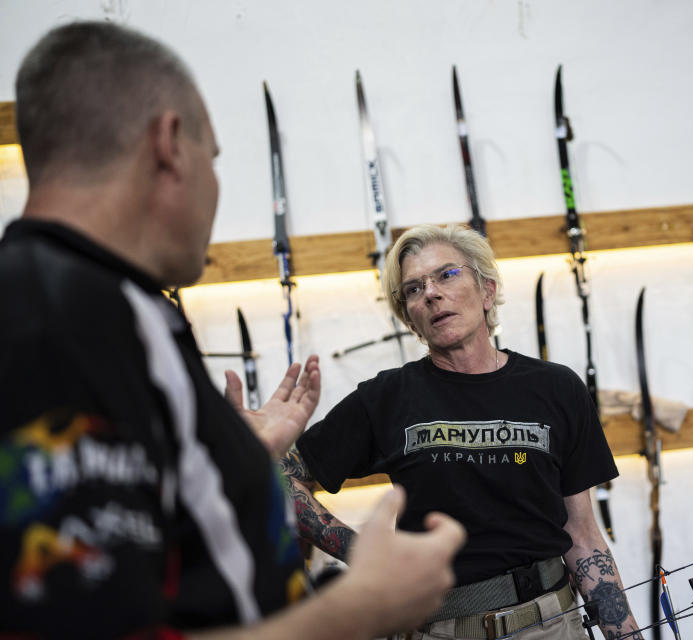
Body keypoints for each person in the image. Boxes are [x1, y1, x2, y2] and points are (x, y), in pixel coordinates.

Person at [0, 21, 465, 639]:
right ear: (168, 143)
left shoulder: (112, 304)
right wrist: (359, 607)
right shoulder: (54, 319)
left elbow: (154, 541)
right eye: (213, 158)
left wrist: (234, 459)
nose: (214, 186)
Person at [284, 224, 641, 639]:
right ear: (411, 320)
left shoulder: (556, 388)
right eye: (414, 289)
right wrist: (359, 550)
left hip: (552, 624)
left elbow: (582, 535)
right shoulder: (386, 397)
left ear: (487, 290)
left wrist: (626, 633)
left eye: (447, 275)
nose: (431, 293)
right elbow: (277, 477)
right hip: (443, 629)